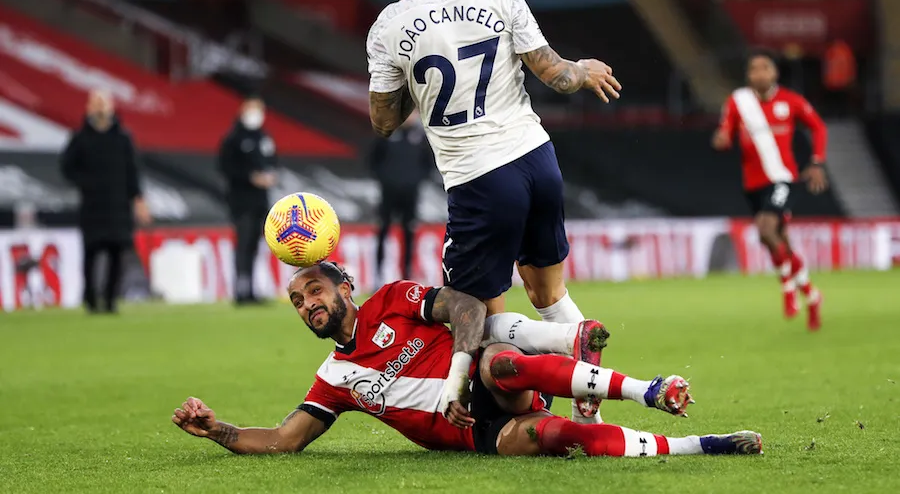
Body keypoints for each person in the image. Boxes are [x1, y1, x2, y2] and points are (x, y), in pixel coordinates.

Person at [363, 0, 622, 423]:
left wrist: (414, 81)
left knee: (475, 313)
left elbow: (385, 121)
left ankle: (538, 382)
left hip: (481, 181)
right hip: (538, 160)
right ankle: (588, 409)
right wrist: (583, 68)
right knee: (549, 293)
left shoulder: (389, 26)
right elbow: (555, 74)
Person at [172, 262, 762, 458]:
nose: (308, 305)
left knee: (498, 363)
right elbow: (283, 440)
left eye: (315, 291)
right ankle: (702, 446)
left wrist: (458, 373)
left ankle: (647, 389)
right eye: (299, 302)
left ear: (344, 288)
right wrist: (217, 429)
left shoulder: (393, 299)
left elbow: (465, 307)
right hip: (479, 435)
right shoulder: (334, 379)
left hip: (485, 378)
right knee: (557, 438)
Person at [712, 49, 828, 330]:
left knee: (766, 230)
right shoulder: (738, 102)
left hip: (782, 179)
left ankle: (787, 288)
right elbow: (725, 133)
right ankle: (812, 295)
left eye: (765, 67)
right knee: (779, 240)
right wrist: (722, 138)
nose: (760, 73)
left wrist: (816, 162)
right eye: (754, 69)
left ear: (774, 72)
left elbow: (818, 127)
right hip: (753, 184)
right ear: (748, 75)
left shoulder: (791, 101)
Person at [60, 89, 152, 314]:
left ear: (111, 107)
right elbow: (66, 167)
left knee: (117, 253)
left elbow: (133, 171)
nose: (100, 107)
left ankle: (111, 299)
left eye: (104, 103)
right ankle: (91, 299)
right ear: (89, 107)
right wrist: (85, 183)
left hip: (118, 205)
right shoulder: (80, 138)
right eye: (96, 103)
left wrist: (138, 200)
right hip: (92, 205)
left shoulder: (123, 138)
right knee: (91, 253)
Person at [218, 94, 278, 305]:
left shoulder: (264, 138)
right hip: (241, 201)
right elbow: (226, 167)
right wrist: (250, 177)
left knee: (254, 245)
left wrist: (270, 175)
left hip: (261, 201)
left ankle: (252, 289)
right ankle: (240, 290)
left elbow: (272, 161)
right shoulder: (233, 139)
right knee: (243, 245)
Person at [368, 110, 434, 282]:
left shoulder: (421, 137)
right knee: (383, 231)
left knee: (409, 233)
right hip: (388, 193)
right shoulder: (387, 133)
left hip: (410, 195)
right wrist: (386, 179)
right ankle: (378, 275)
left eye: (412, 113)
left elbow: (429, 163)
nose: (409, 117)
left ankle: (407, 275)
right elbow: (373, 160)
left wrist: (415, 180)